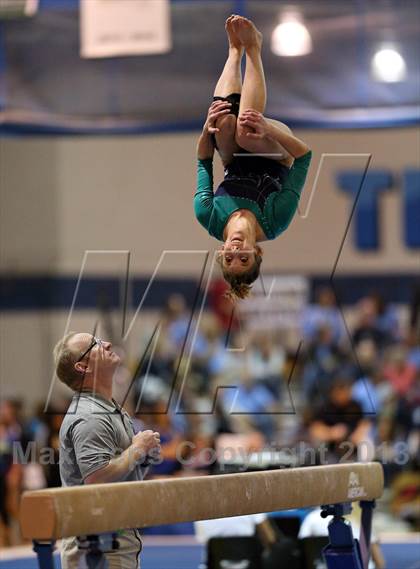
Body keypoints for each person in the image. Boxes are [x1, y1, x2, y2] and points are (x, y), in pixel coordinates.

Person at [194, 15, 312, 300]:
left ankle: (234, 50)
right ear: (257, 252)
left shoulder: (209, 216)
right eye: (244, 259)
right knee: (247, 132)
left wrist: (206, 126)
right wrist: (270, 128)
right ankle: (254, 48)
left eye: (230, 259)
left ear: (221, 252)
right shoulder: (275, 221)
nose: (236, 252)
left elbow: (203, 160)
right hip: (276, 151)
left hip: (234, 158)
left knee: (221, 124)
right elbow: (304, 157)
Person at [54, 332, 161, 569]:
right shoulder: (90, 415)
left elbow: (119, 477)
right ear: (82, 366)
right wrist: (136, 449)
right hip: (96, 547)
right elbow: (96, 477)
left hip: (112, 537)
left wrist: (142, 458)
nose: (107, 343)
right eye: (95, 344)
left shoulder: (110, 410)